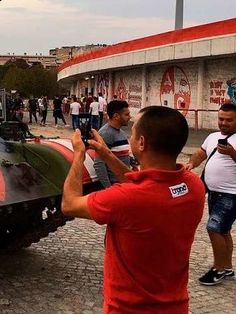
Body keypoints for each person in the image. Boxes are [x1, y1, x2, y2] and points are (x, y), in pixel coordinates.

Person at [62, 106, 205, 313]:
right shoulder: (193, 186)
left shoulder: (125, 199)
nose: (130, 135)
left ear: (141, 142)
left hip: (128, 308)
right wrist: (106, 154)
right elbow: (140, 187)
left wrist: (78, 156)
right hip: (176, 306)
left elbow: (69, 204)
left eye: (134, 132)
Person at [185, 102, 236, 285]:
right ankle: (228, 268)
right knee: (224, 231)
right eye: (221, 119)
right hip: (214, 193)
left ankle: (218, 269)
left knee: (214, 228)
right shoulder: (213, 136)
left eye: (229, 120)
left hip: (231, 195)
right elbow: (200, 153)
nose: (224, 123)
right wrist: (191, 164)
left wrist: (232, 153)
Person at [93, 100, 132, 188]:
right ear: (116, 116)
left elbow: (121, 156)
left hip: (124, 183)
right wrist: (108, 188)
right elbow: (99, 164)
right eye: (127, 115)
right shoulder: (106, 134)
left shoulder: (121, 132)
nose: (130, 117)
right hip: (115, 185)